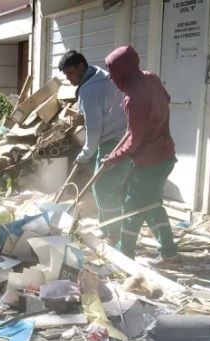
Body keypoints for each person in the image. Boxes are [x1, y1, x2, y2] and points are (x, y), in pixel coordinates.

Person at [100, 45, 178, 264]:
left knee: (132, 209)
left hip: (150, 162)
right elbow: (166, 99)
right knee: (152, 206)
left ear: (122, 72)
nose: (113, 79)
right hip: (165, 155)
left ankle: (124, 253)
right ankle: (169, 252)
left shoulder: (134, 99)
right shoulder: (150, 77)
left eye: (113, 73)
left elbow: (136, 140)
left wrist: (113, 160)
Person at [58, 50, 129, 243]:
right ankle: (108, 229)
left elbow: (94, 130)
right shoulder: (98, 75)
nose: (69, 78)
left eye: (71, 72)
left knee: (104, 188)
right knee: (107, 188)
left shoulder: (89, 91)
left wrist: (84, 156)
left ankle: (115, 235)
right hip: (123, 136)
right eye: (66, 74)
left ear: (81, 66)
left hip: (114, 141)